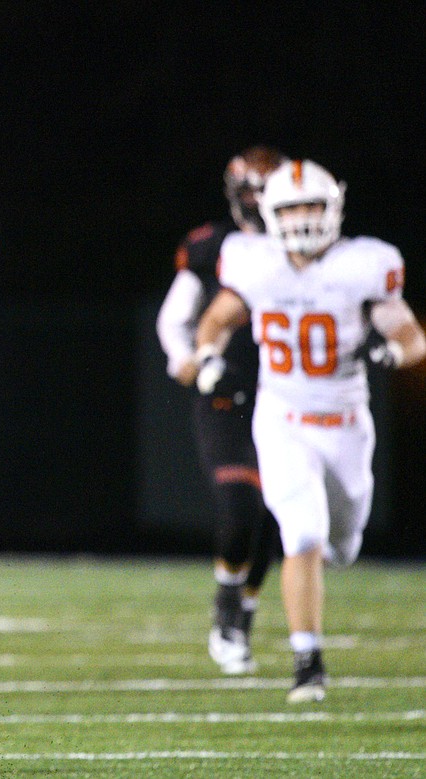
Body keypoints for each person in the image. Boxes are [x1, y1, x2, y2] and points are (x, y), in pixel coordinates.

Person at [194, 159, 426, 703]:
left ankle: (307, 639)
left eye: (311, 206)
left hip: (346, 426)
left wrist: (390, 349)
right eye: (290, 207)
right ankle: (308, 663)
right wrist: (207, 360)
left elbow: (412, 333)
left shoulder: (364, 264)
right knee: (301, 534)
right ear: (270, 214)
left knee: (342, 546)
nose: (300, 218)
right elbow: (215, 321)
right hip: (283, 419)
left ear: (334, 207)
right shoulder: (256, 264)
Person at [155, 145, 285, 674]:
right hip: (227, 396)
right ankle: (228, 607)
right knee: (239, 508)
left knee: (278, 520)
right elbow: (174, 318)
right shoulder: (214, 247)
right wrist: (187, 361)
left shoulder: (305, 249)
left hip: (286, 399)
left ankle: (242, 611)